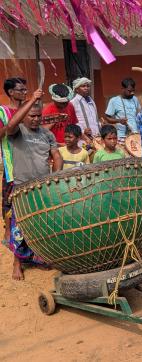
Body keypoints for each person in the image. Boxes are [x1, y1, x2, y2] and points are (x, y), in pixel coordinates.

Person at [5, 89, 63, 280]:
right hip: (22, 187)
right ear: (24, 116)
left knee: (42, 224)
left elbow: (56, 155)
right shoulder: (17, 132)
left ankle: (39, 256)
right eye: (32, 116)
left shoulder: (47, 134)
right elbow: (11, 124)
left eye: (39, 116)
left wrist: (57, 175)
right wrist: (31, 100)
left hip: (43, 187)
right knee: (19, 226)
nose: (36, 119)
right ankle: (17, 262)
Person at [0, 78, 27, 243]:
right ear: (11, 92)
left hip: (29, 162)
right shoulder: (2, 111)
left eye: (25, 90)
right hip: (12, 163)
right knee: (10, 201)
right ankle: (9, 232)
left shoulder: (29, 109)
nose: (25, 93)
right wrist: (12, 124)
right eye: (21, 90)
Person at [104, 78, 140, 143]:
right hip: (122, 137)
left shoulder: (135, 99)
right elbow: (107, 118)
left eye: (133, 91)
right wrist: (119, 121)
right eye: (129, 91)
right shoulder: (114, 100)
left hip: (135, 135)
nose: (132, 93)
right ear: (123, 89)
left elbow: (138, 115)